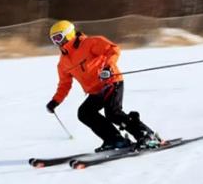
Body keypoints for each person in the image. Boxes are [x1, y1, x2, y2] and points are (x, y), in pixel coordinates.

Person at [45, 20, 162, 152]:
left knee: (113, 113)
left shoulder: (89, 43)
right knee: (85, 113)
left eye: (58, 37)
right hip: (95, 91)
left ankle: (147, 135)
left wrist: (107, 68)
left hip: (111, 82)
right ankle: (115, 139)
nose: (57, 42)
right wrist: (55, 101)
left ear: (69, 34)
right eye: (53, 40)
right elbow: (64, 85)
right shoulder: (63, 63)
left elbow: (113, 49)